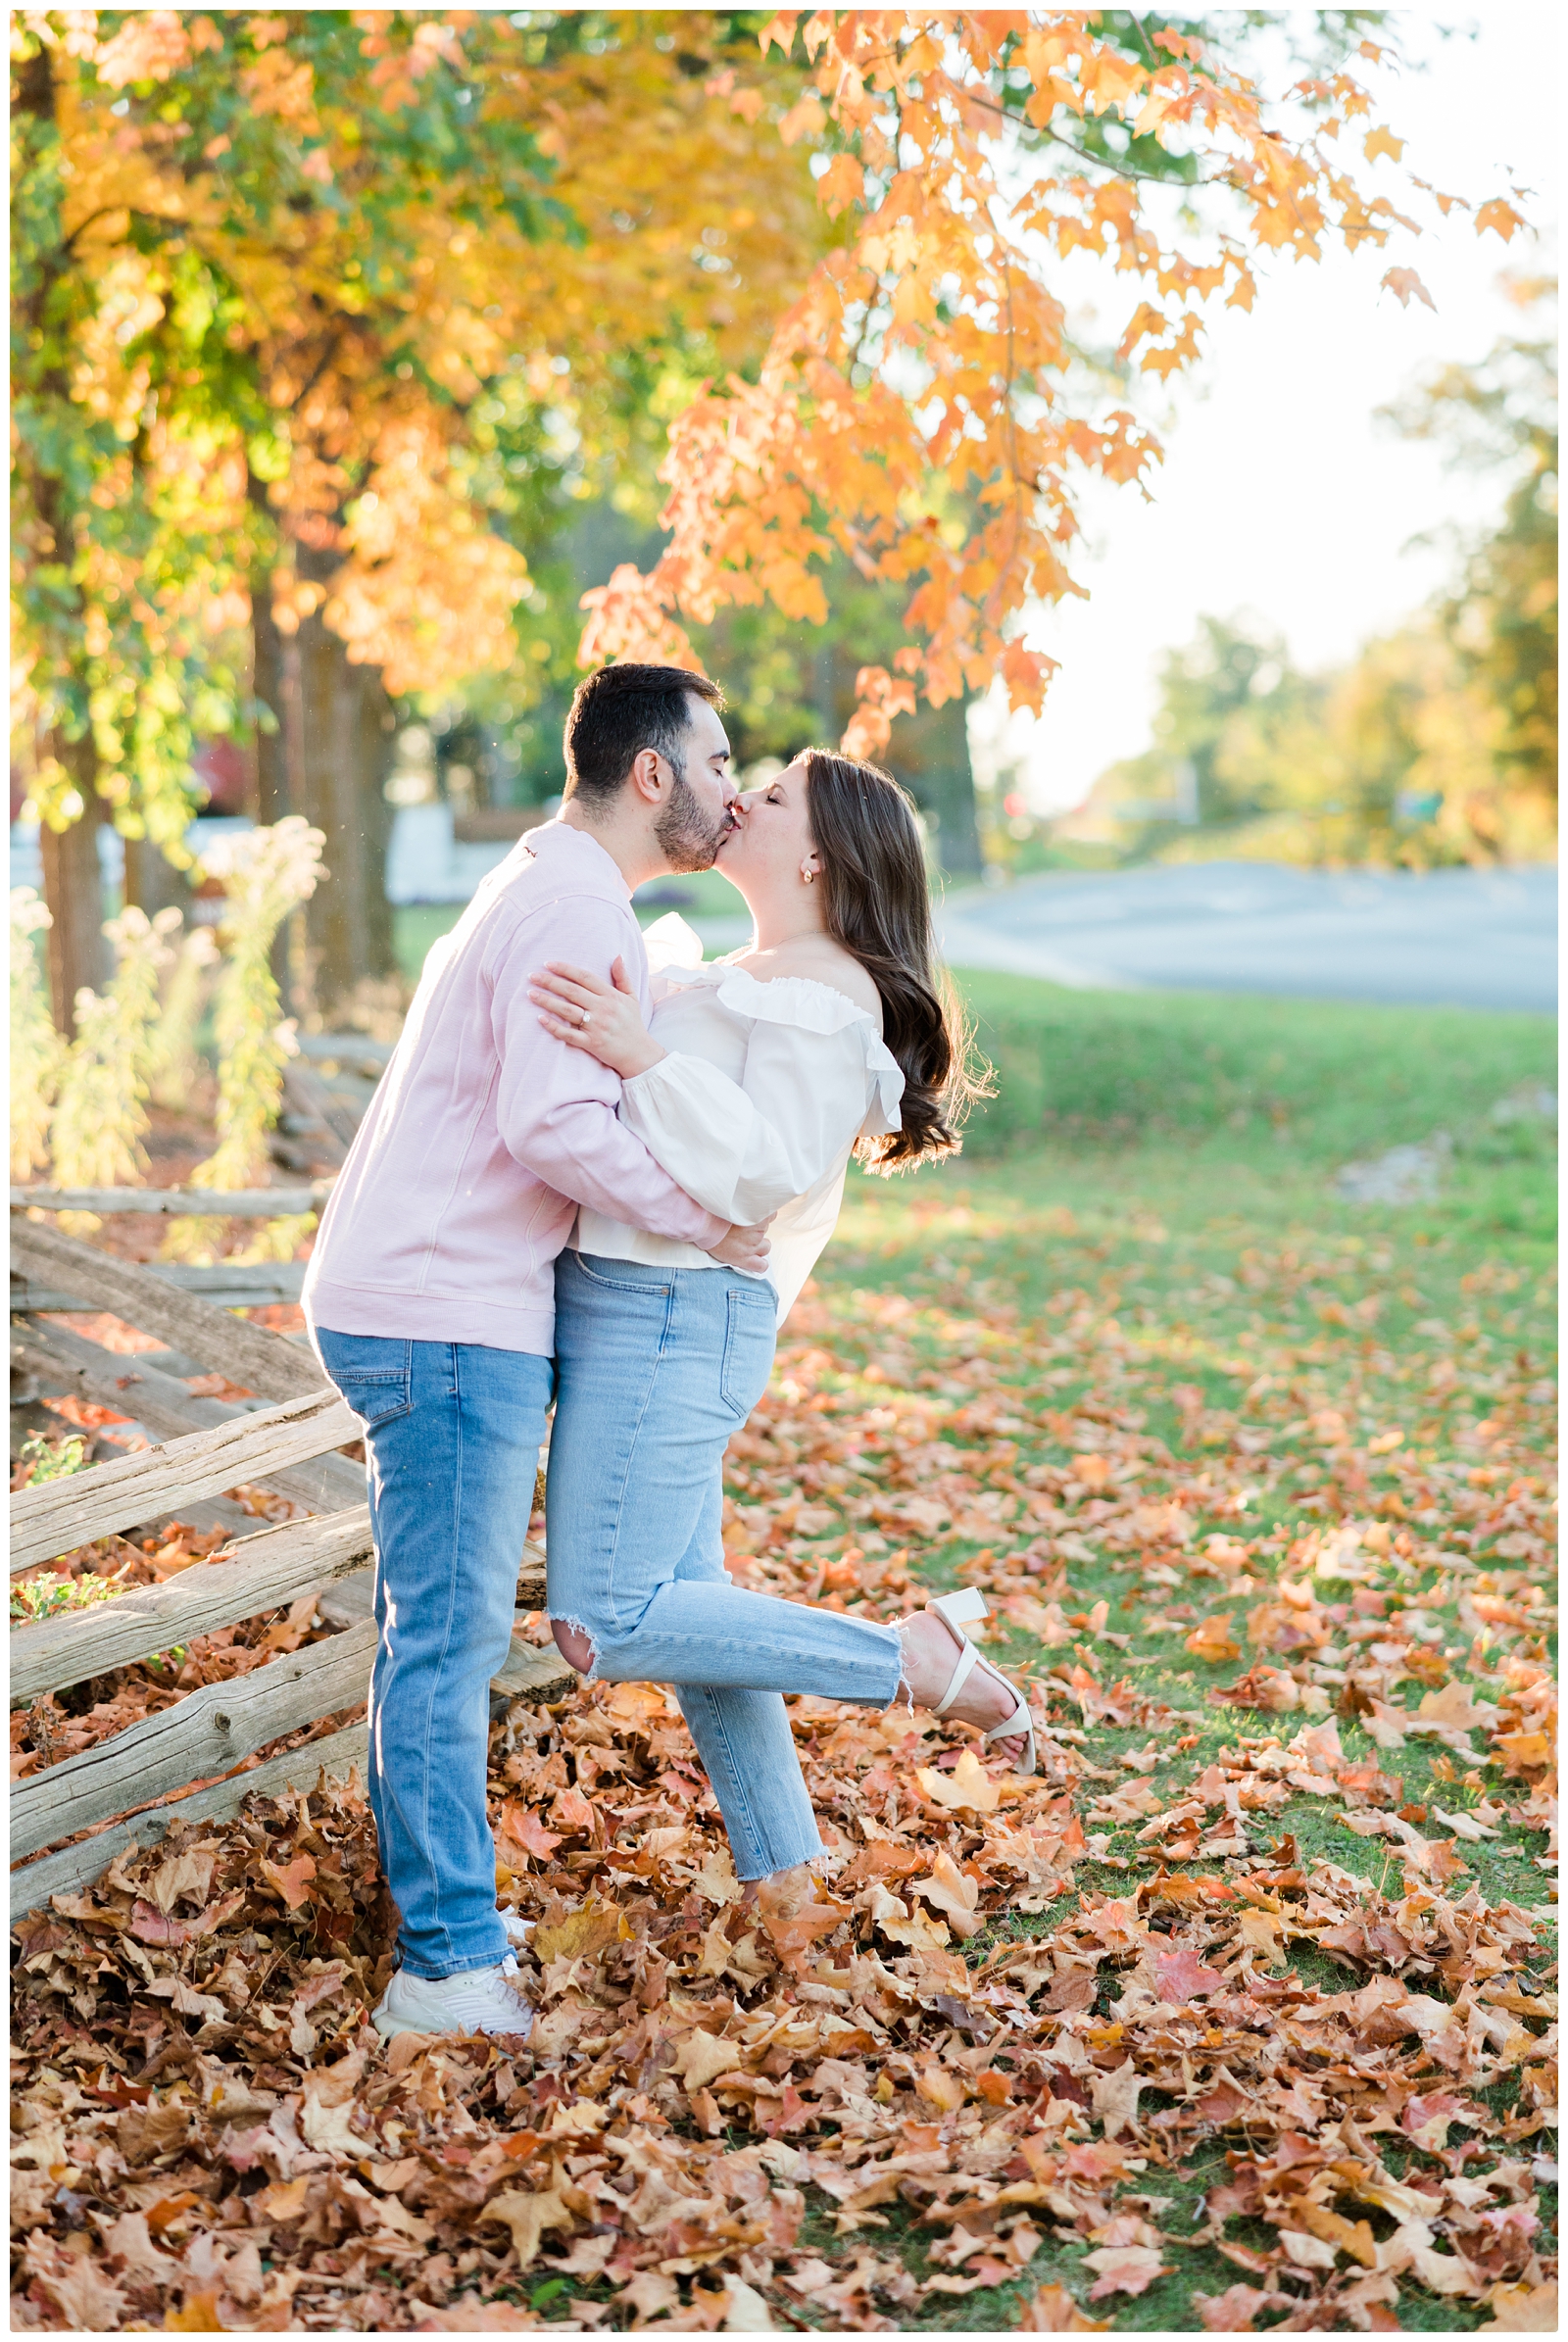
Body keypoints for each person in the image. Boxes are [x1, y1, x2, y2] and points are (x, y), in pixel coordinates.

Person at [302, 663, 775, 2043]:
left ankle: (444, 1922)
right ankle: (444, 1969)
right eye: (719, 756)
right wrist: (709, 1216)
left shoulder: (547, 880)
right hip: (444, 1309)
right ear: (651, 774)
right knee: (443, 1646)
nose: (733, 783)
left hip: (426, 1293)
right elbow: (550, 1123)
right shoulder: (574, 900)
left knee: (430, 1636)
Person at [529, 748, 1034, 1928]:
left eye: (768, 793)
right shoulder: (743, 970)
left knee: (605, 1617)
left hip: (676, 1313)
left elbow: (762, 1168)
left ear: (814, 855)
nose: (739, 796)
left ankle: (908, 1659)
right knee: (694, 1607)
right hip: (630, 1302)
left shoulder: (826, 991)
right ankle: (788, 1874)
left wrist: (640, 1053)